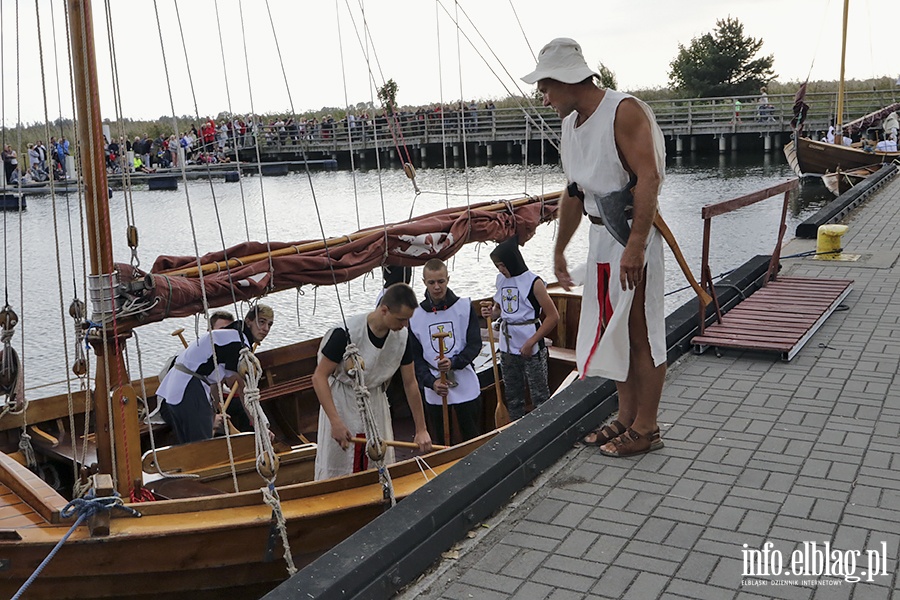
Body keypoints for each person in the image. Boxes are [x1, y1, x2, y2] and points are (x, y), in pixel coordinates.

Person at [522, 37, 666, 457]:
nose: (544, 97)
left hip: (628, 236)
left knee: (641, 330)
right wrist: (560, 248)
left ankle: (648, 427)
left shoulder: (624, 111)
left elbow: (649, 178)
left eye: (546, 87)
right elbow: (574, 191)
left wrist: (636, 246)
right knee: (614, 329)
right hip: (600, 238)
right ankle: (625, 415)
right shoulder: (570, 124)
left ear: (567, 80)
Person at [312, 283, 431, 480]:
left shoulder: (402, 337)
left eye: (408, 320)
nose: (405, 325)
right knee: (339, 464)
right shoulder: (345, 333)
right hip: (342, 399)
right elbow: (319, 377)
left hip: (375, 399)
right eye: (401, 319)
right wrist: (335, 422)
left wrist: (421, 429)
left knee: (378, 461)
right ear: (384, 310)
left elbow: (410, 383)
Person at [156, 304, 273, 444]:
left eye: (269, 324)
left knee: (190, 446)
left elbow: (218, 383)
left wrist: (212, 415)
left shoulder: (231, 335)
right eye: (261, 322)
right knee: (202, 447)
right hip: (189, 388)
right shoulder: (238, 344)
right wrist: (261, 427)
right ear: (248, 321)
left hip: (175, 389)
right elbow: (245, 390)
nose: (265, 329)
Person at [480, 236, 559, 420]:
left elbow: (553, 316)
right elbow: (499, 311)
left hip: (530, 343)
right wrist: (489, 313)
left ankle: (544, 428)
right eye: (498, 266)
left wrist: (531, 342)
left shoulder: (534, 282)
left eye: (503, 265)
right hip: (507, 346)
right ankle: (515, 428)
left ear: (512, 260)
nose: (501, 269)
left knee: (539, 394)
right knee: (513, 395)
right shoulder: (500, 280)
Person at [408, 259, 483, 446]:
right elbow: (415, 359)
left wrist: (454, 362)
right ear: (424, 282)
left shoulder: (464, 307)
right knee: (441, 441)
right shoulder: (415, 315)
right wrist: (431, 382)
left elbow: (474, 344)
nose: (436, 287)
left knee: (471, 435)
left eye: (441, 281)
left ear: (448, 279)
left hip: (463, 378)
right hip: (435, 383)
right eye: (431, 282)